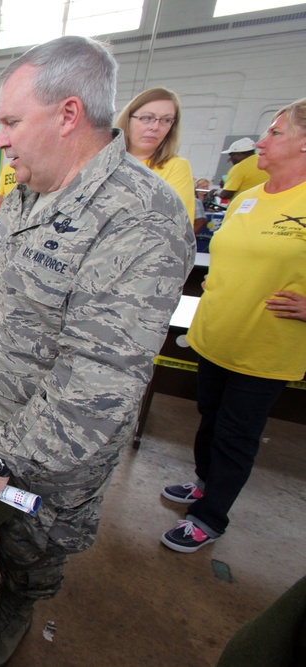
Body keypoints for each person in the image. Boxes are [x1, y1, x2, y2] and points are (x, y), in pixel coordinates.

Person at [0, 36, 194, 667]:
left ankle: (14, 610)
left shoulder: (140, 217)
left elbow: (97, 383)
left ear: (68, 114)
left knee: (30, 548)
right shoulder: (26, 190)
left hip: (49, 453)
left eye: (11, 121)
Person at [160, 99, 306, 554]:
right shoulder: (248, 198)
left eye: (276, 133)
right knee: (210, 420)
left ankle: (210, 517)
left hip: (263, 349)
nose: (262, 141)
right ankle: (205, 483)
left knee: (237, 435)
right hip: (216, 335)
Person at [115, 87, 196, 223]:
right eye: (147, 118)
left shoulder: (176, 166)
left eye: (166, 120)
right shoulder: (103, 160)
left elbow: (174, 224)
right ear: (128, 119)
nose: (155, 127)